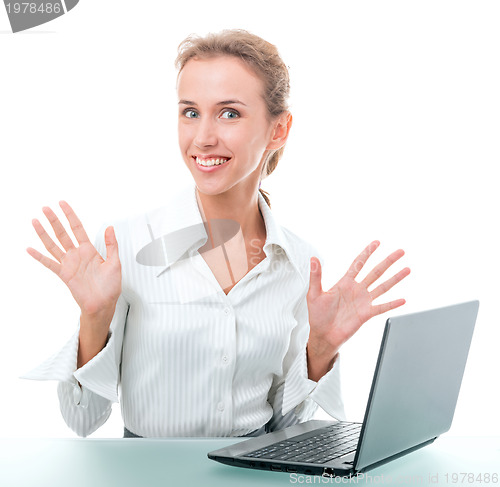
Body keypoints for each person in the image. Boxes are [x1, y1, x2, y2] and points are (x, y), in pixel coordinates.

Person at [23, 29, 410, 438]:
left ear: (278, 130)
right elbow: (82, 420)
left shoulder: (299, 262)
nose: (203, 138)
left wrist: (320, 350)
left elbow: (285, 427)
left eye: (229, 113)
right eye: (190, 112)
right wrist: (94, 317)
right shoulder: (127, 247)